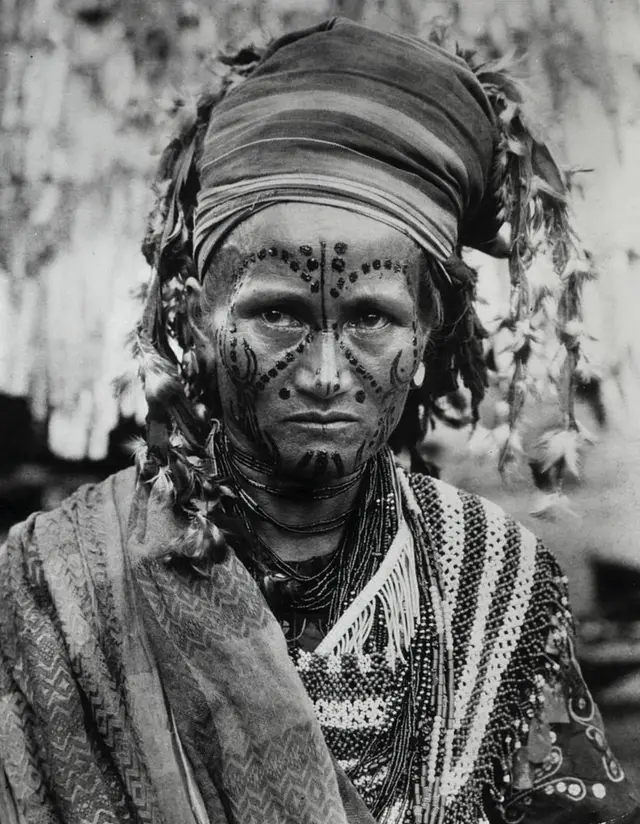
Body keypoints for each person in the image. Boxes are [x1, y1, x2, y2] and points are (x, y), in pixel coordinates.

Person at [0, 17, 638, 824]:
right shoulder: (55, 589)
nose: (326, 372)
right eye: (276, 313)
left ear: (431, 332)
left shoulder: (493, 584)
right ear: (194, 318)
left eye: (373, 317)